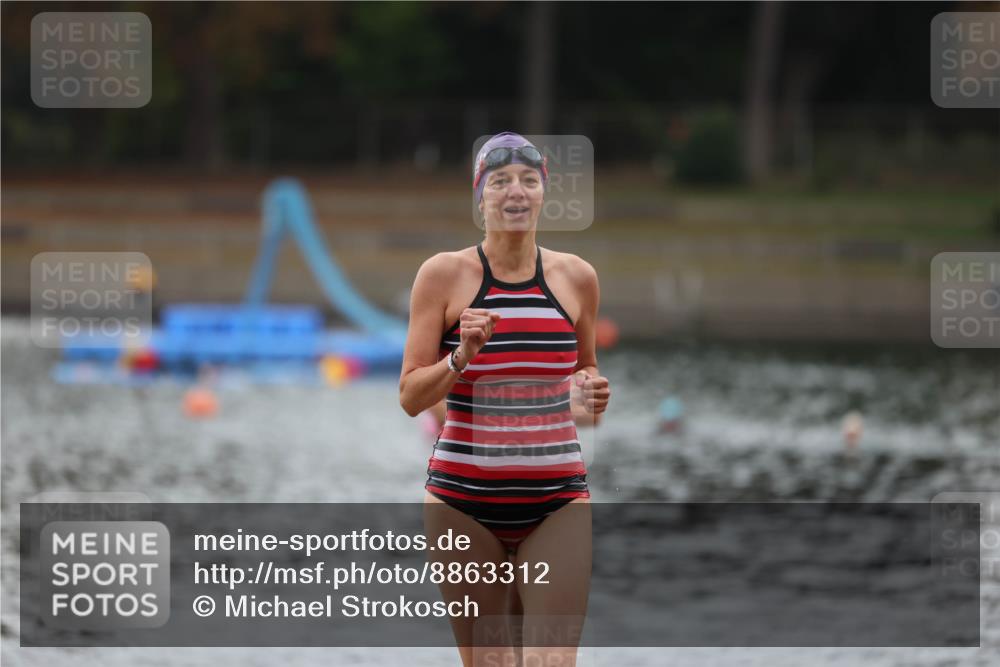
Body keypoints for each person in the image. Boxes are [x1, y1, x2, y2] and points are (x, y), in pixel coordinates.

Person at [399, 131, 610, 666]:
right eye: (499, 181)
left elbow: (584, 376)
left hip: (557, 500)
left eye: (528, 180)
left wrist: (590, 397)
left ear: (544, 193)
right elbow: (409, 395)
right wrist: (461, 356)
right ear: (480, 196)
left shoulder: (576, 277)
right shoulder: (443, 275)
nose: (515, 191)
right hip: (462, 503)